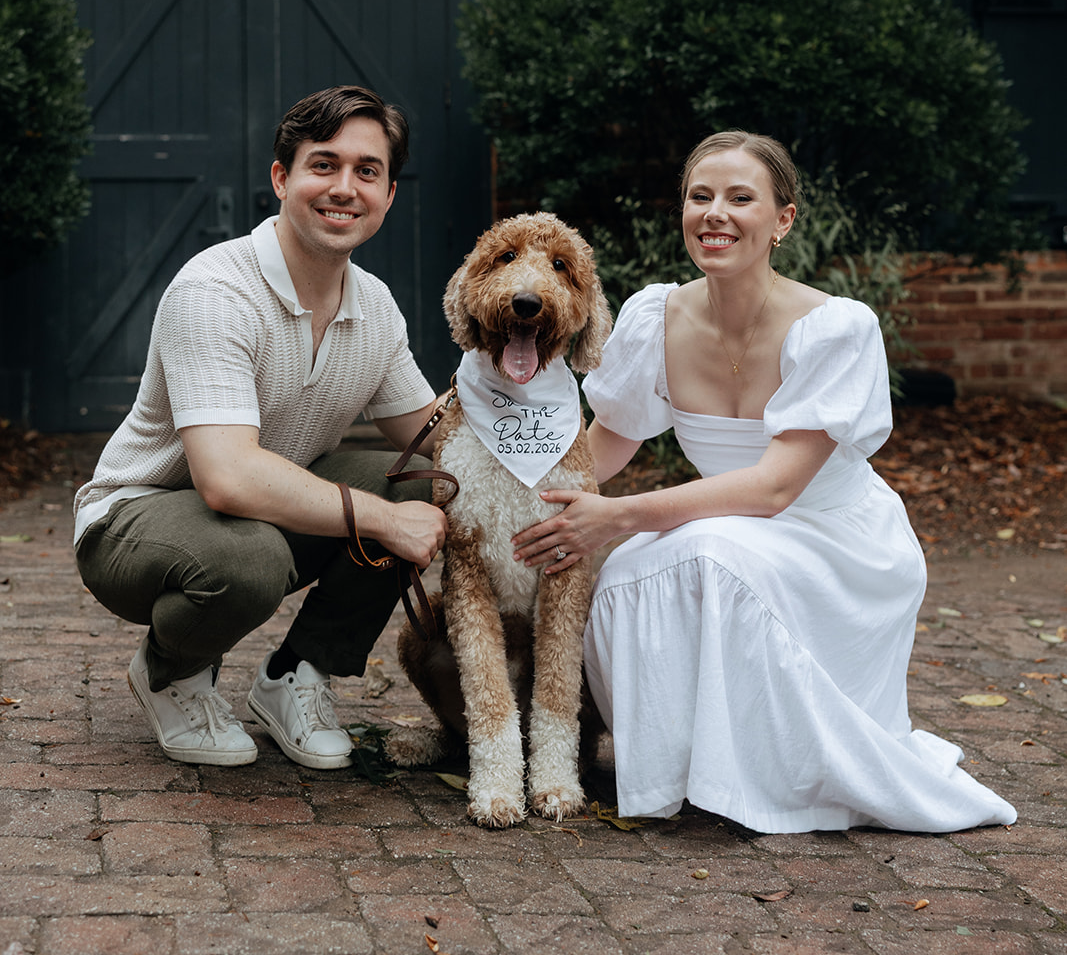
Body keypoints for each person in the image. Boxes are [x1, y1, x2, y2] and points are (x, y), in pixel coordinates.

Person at [511, 131, 1017, 833]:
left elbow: (774, 489)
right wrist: (522, 501)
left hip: (837, 544)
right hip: (733, 526)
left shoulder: (835, 328)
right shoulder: (656, 315)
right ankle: (684, 767)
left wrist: (617, 515)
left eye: (739, 198)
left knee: (701, 556)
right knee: (627, 570)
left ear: (782, 219)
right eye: (699, 197)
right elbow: (606, 445)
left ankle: (762, 776)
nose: (714, 213)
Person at [74, 85, 448, 770]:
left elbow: (435, 439)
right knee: (249, 559)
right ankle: (170, 672)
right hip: (133, 521)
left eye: (367, 171)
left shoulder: (375, 306)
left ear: (389, 194)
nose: (345, 187)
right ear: (282, 178)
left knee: (422, 485)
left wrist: (532, 410)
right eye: (323, 164)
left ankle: (293, 679)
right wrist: (385, 524)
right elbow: (227, 477)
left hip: (258, 520)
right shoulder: (215, 290)